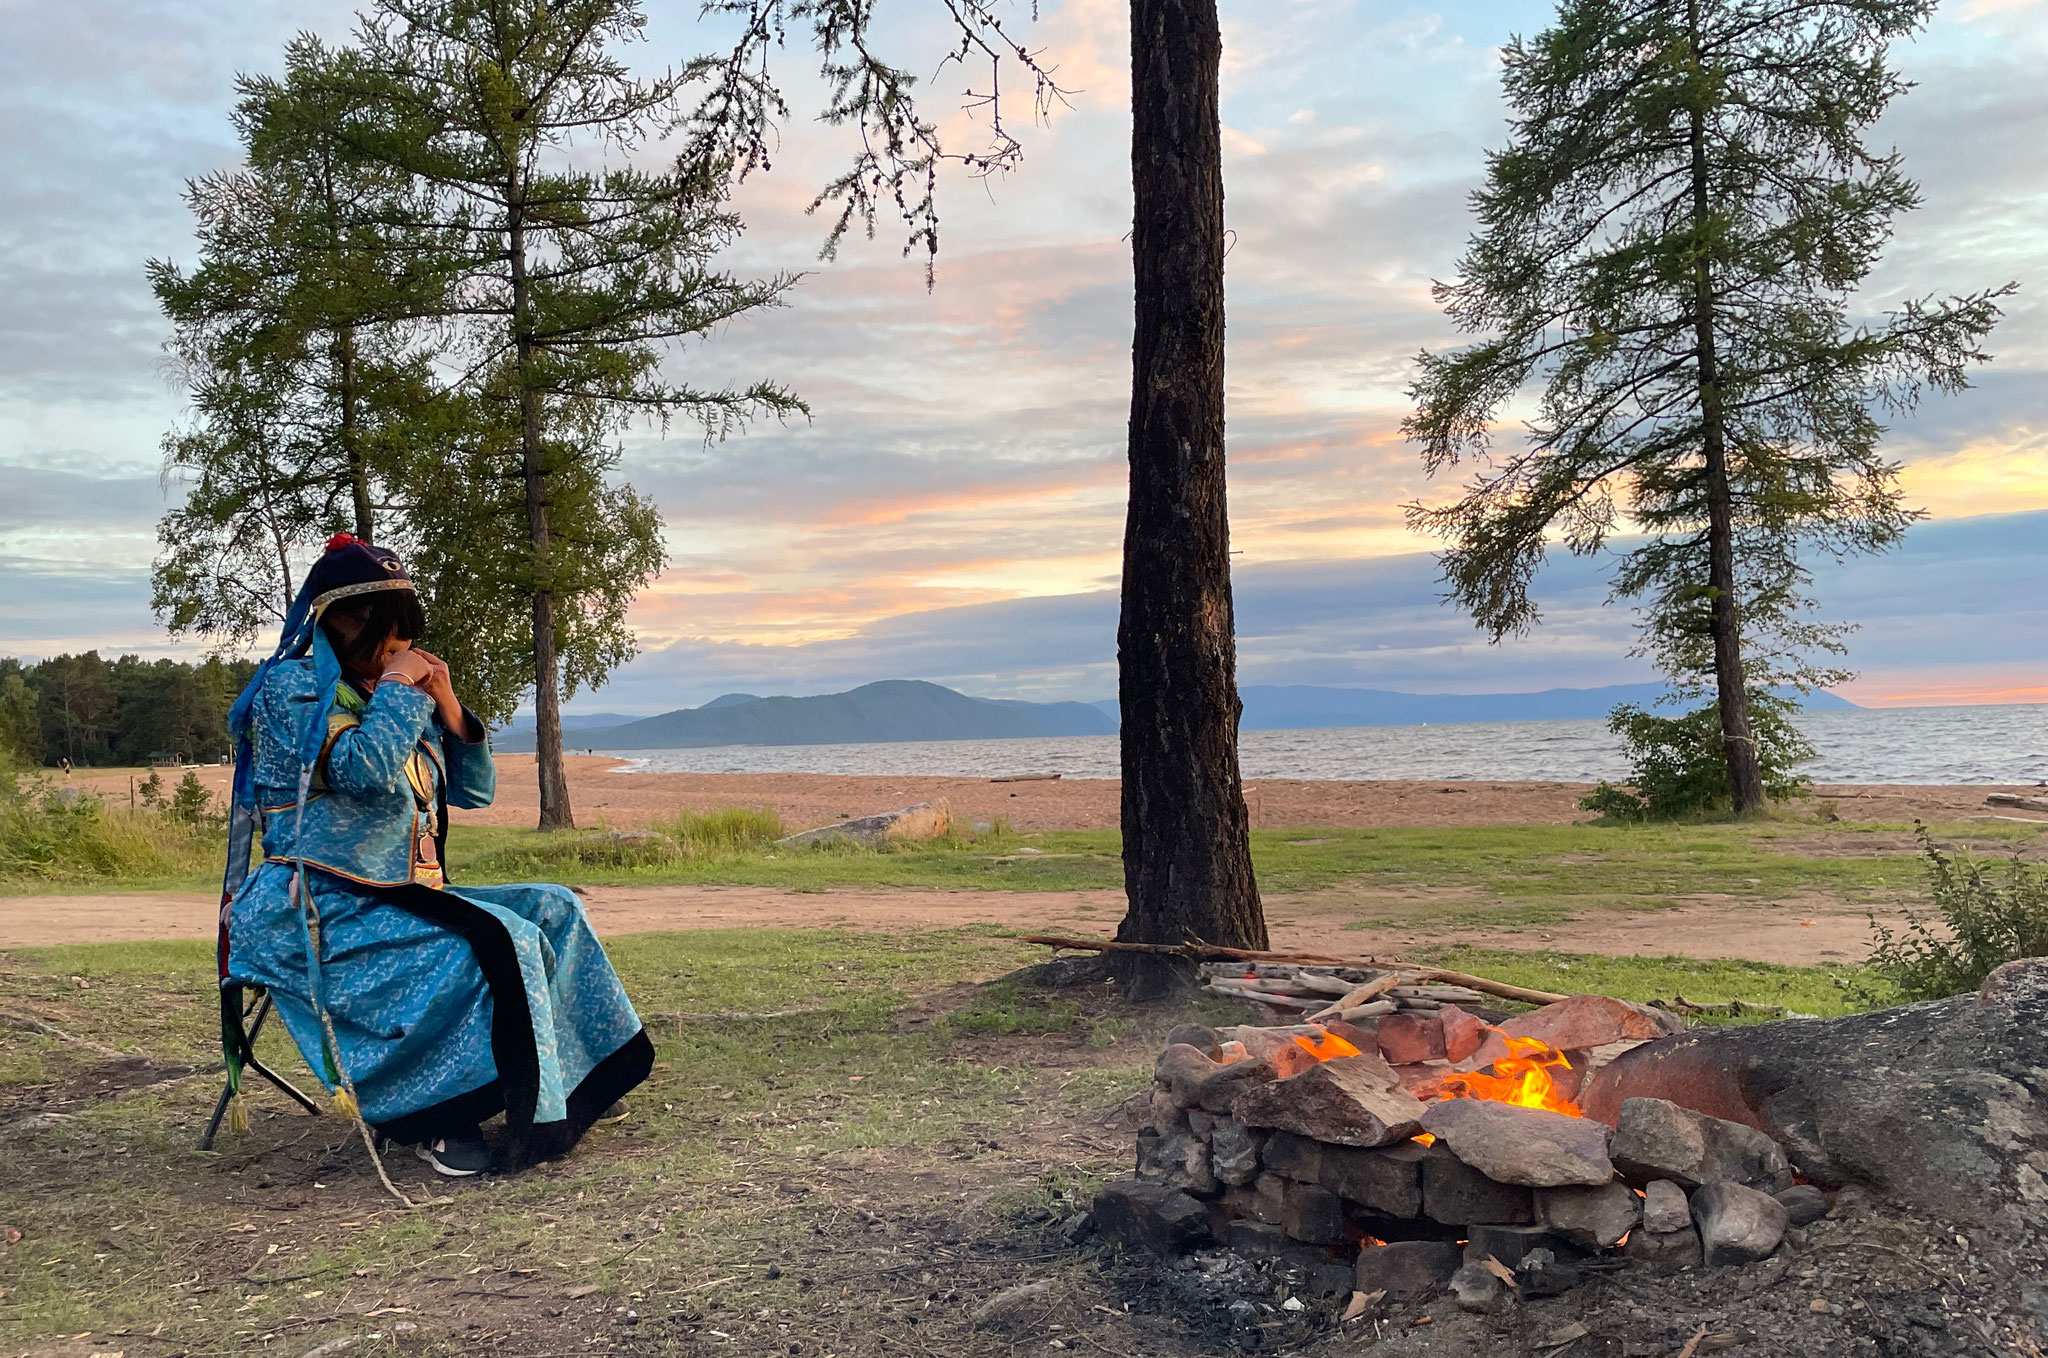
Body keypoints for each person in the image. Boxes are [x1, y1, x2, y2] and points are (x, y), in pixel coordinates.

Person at [217, 534, 651, 1176]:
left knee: (552, 907)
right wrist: (399, 689)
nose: (395, 648)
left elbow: (475, 790)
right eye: (383, 634)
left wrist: (447, 704)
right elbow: (363, 771)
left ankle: (568, 1074)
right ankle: (436, 1119)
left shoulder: (387, 698)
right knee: (486, 944)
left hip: (408, 890)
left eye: (402, 635)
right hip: (320, 899)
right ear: (341, 622)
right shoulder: (293, 692)